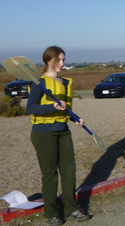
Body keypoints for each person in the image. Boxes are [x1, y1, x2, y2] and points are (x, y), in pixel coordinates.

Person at [26, 46, 90, 226]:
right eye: (59, 60)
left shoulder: (66, 83)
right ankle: (52, 212)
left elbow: (66, 109)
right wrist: (51, 107)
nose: (63, 63)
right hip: (43, 133)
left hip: (63, 131)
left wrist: (75, 119)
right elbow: (30, 108)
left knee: (69, 171)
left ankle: (71, 208)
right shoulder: (39, 83)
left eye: (64, 59)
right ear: (49, 61)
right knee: (50, 174)